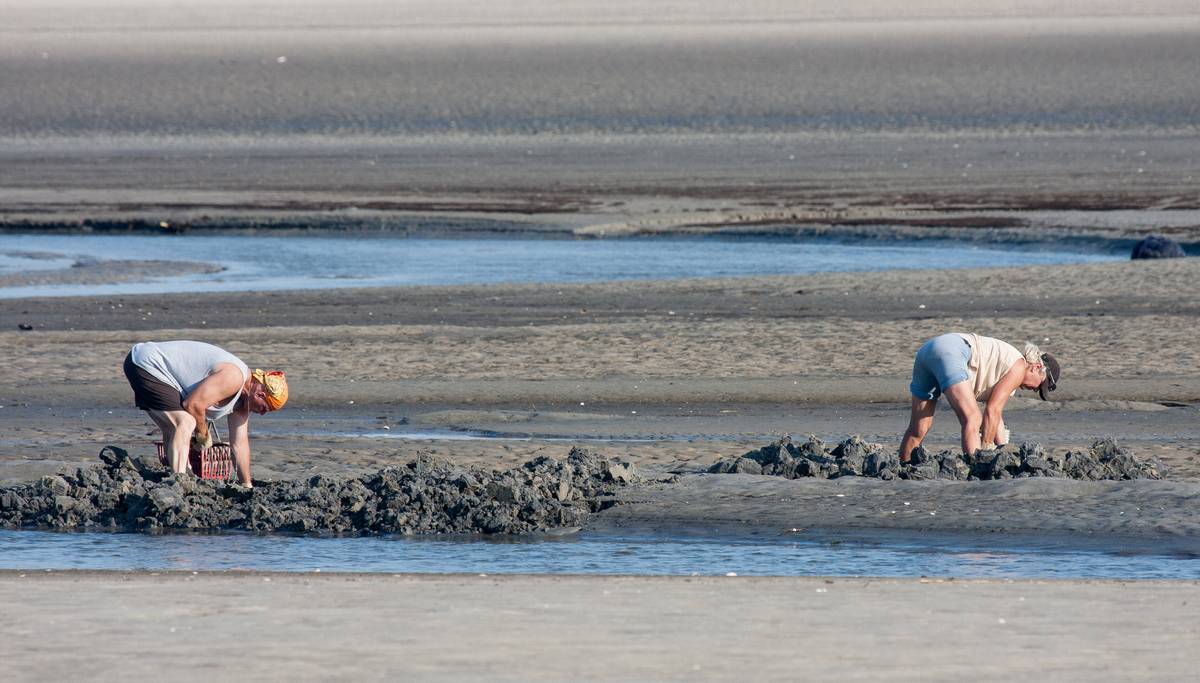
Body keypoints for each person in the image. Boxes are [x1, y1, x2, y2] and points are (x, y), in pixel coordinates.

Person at [122, 340, 288, 487]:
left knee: (173, 428)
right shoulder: (234, 377)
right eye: (265, 408)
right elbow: (193, 405)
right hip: (147, 363)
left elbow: (240, 445)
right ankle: (178, 481)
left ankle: (181, 475)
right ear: (260, 394)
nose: (262, 413)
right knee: (185, 422)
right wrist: (203, 434)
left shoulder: (243, 403)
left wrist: (246, 484)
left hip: (146, 365)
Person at [899, 332, 1059, 462]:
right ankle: (974, 469)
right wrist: (986, 451)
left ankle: (902, 470)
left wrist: (1003, 448)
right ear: (1037, 367)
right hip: (953, 350)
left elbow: (997, 419)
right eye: (1039, 385)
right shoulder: (1019, 366)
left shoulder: (1009, 377)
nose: (1034, 390)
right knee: (973, 418)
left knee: (919, 428)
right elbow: (992, 411)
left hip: (927, 351)